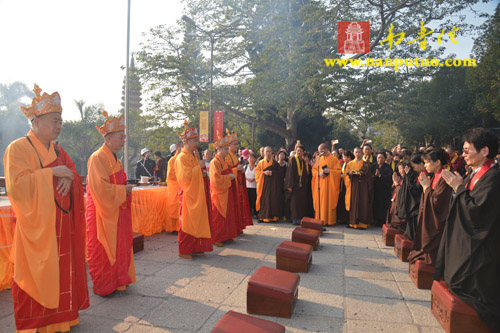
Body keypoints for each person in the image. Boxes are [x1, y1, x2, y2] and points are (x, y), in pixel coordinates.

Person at [4, 84, 89, 331]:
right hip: (37, 228)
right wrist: (51, 172)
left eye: (60, 120)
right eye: (54, 120)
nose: (59, 125)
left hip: (61, 225)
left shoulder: (58, 150)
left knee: (62, 271)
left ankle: (63, 319)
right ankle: (37, 323)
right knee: (37, 274)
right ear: (35, 121)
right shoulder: (18, 148)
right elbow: (17, 187)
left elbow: (72, 174)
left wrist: (66, 176)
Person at [434, 128, 500, 331]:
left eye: (466, 150)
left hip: (483, 245)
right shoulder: (476, 174)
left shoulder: (493, 178)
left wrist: (459, 188)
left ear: (484, 151)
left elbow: (477, 213)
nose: (462, 154)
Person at [86, 110, 136, 296]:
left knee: (120, 245)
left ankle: (119, 280)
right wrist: (123, 190)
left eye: (124, 137)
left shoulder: (116, 158)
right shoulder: (97, 157)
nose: (124, 140)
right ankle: (105, 285)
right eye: (121, 137)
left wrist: (123, 190)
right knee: (103, 248)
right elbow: (99, 189)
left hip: (117, 209)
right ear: (107, 139)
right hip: (102, 212)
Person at [175, 122, 213, 260]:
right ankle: (184, 249)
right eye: (194, 141)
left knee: (197, 221)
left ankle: (196, 247)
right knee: (186, 221)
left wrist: (200, 172)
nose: (197, 143)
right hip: (187, 195)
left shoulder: (191, 156)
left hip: (196, 193)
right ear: (186, 142)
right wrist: (199, 168)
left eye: (196, 140)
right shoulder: (181, 157)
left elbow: (193, 173)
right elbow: (184, 178)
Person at [408, 149, 452, 266]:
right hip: (428, 214)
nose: (425, 165)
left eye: (427, 162)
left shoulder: (444, 177)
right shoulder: (434, 176)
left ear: (437, 162)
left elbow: (437, 201)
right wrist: (426, 188)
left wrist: (427, 188)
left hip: (437, 218)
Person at [209, 134, 239, 247]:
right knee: (218, 216)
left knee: (228, 215)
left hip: (226, 191)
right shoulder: (214, 162)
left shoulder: (224, 161)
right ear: (219, 149)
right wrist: (229, 177)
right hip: (218, 193)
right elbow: (215, 180)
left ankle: (226, 236)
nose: (228, 151)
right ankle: (217, 238)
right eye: (226, 149)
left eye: (227, 148)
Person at [225, 130, 253, 232]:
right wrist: (237, 170)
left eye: (237, 144)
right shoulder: (227, 156)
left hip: (238, 184)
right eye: (235, 144)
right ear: (229, 145)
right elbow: (227, 171)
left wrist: (238, 169)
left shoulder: (234, 155)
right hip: (232, 184)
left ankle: (238, 227)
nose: (237, 146)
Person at [311, 143, 341, 226]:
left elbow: (339, 172)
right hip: (320, 185)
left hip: (330, 186)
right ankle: (320, 220)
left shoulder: (334, 159)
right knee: (321, 203)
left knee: (329, 202)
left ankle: (330, 221)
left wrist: (330, 171)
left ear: (327, 150)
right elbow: (313, 170)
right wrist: (319, 174)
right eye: (319, 151)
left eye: (322, 151)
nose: (320, 153)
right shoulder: (319, 159)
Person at [396, 153, 424, 240]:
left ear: (421, 164)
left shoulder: (424, 175)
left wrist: (408, 175)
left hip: (417, 206)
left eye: (414, 165)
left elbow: (414, 189)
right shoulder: (418, 173)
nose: (414, 168)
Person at [344, 147, 374, 229]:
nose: (358, 154)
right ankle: (353, 223)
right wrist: (349, 174)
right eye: (356, 152)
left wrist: (362, 175)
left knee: (363, 203)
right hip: (353, 186)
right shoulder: (349, 164)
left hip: (363, 186)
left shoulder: (365, 164)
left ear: (362, 153)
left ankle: (362, 224)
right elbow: (345, 176)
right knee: (353, 203)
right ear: (353, 153)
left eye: (359, 152)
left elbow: (368, 176)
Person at [255, 147, 285, 222]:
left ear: (272, 153)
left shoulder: (275, 163)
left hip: (273, 186)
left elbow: (281, 173)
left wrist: (273, 173)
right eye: (266, 152)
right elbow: (257, 173)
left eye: (269, 152)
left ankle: (274, 218)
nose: (268, 153)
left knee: (273, 199)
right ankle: (263, 217)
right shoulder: (260, 163)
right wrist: (263, 173)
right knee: (264, 200)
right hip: (264, 185)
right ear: (264, 153)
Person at [285, 145, 309, 225]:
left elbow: (304, 173)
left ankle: (299, 218)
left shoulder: (302, 161)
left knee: (300, 202)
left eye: (301, 151)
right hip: (294, 184)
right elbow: (289, 173)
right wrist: (289, 185)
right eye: (298, 151)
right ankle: (294, 218)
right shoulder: (293, 159)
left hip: (301, 186)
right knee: (294, 202)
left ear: (303, 152)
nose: (299, 152)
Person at [371, 152, 393, 226]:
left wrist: (380, 175)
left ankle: (381, 221)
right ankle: (374, 220)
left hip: (383, 190)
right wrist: (374, 176)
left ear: (385, 159)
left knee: (382, 206)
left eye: (381, 157)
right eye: (378, 157)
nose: (379, 159)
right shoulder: (373, 166)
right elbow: (369, 176)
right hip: (374, 189)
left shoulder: (388, 167)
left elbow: (389, 178)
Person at [165, 142, 182, 232]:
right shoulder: (172, 160)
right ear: (177, 148)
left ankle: (179, 226)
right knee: (174, 207)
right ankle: (173, 228)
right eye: (181, 147)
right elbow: (170, 175)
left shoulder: (184, 158)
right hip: (174, 186)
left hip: (182, 185)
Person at [386, 162, 407, 233]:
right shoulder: (402, 179)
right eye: (399, 169)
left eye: (401, 169)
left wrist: (396, 184)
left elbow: (402, 192)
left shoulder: (407, 179)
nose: (400, 171)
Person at [337, 150, 354, 224]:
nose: (343, 159)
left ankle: (348, 219)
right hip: (343, 184)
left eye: (344, 157)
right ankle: (343, 218)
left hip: (349, 185)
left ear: (349, 157)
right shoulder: (344, 164)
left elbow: (348, 174)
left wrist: (343, 176)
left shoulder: (351, 164)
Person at [245, 152, 258, 218]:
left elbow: (258, 175)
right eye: (250, 158)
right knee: (248, 200)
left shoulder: (257, 167)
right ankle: (248, 213)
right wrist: (247, 178)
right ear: (247, 159)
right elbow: (242, 176)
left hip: (254, 186)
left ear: (255, 159)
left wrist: (253, 179)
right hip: (247, 186)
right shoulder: (245, 167)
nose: (251, 159)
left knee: (254, 200)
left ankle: (255, 213)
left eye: (253, 158)